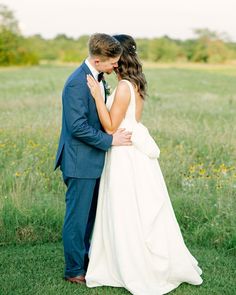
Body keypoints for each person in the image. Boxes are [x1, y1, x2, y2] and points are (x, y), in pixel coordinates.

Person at [85, 34, 203, 294]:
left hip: (124, 153)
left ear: (120, 58)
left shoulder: (124, 87)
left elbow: (111, 125)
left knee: (125, 206)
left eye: (114, 55)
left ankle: (132, 263)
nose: (111, 61)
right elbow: (132, 121)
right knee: (137, 206)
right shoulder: (136, 82)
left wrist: (96, 96)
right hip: (134, 151)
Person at [54, 33, 132, 284]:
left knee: (90, 216)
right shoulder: (77, 83)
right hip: (79, 161)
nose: (116, 66)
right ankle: (74, 270)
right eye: (112, 63)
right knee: (77, 218)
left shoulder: (97, 77)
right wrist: (110, 141)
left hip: (92, 159)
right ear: (98, 61)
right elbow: (76, 127)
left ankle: (89, 261)